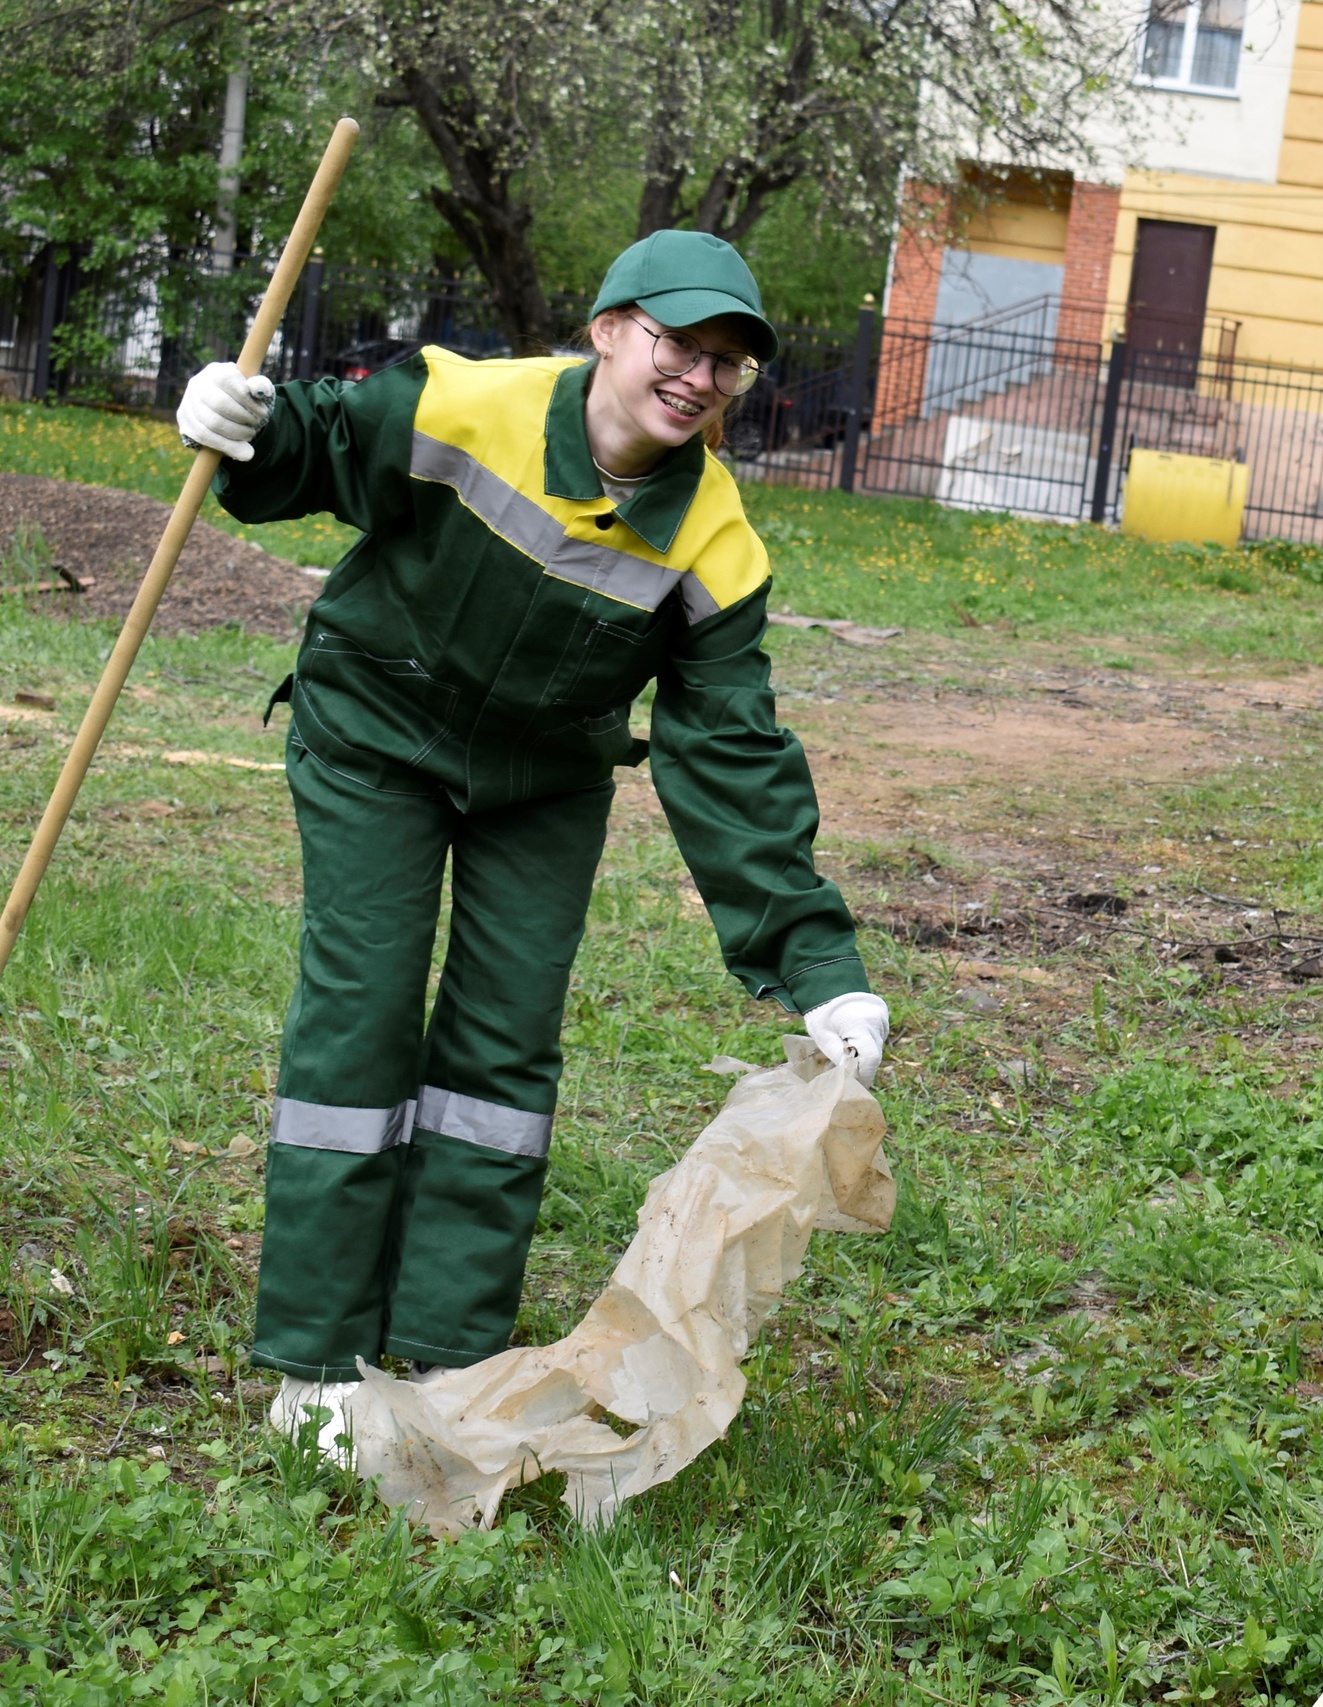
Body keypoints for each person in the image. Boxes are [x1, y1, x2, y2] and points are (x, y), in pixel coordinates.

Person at [176, 230, 892, 1458]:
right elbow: (319, 446)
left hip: (541, 783)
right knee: (364, 1010)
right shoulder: (465, 403)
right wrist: (240, 423)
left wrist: (819, 967)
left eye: (726, 363)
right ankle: (315, 1365)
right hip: (374, 737)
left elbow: (728, 749)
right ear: (610, 328)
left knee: (502, 1054)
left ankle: (452, 1353)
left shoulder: (714, 542)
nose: (698, 376)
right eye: (679, 342)